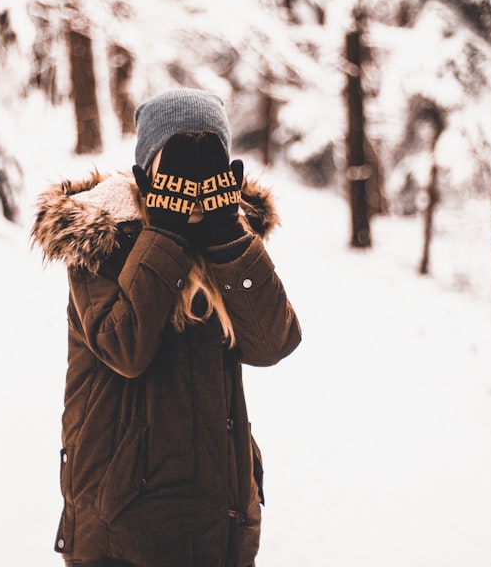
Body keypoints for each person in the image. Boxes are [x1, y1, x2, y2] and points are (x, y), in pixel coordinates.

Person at [31, 87, 302, 567]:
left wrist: (226, 233)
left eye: (206, 166)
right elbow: (125, 348)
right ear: (146, 172)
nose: (193, 184)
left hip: (220, 518)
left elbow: (272, 343)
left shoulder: (228, 239)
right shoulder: (101, 239)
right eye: (176, 168)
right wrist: (167, 229)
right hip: (121, 523)